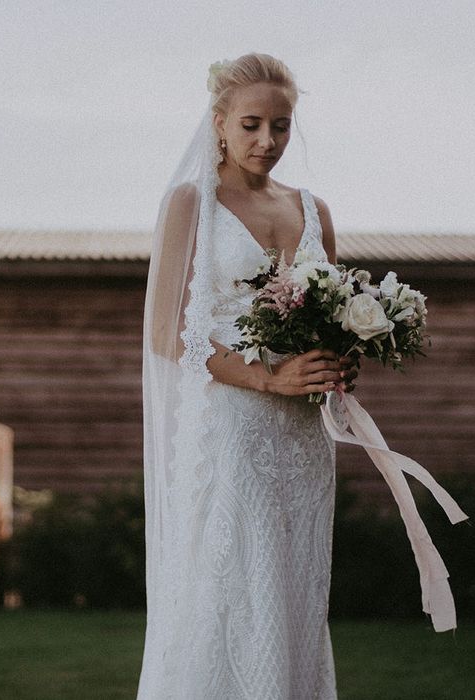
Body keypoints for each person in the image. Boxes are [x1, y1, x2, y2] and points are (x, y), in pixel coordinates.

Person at [138, 53, 356, 699]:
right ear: (220, 124)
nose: (268, 142)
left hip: (303, 432)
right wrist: (266, 379)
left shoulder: (312, 209)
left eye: (281, 126)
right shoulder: (190, 202)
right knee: (234, 578)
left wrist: (341, 360)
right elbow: (164, 331)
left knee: (294, 583)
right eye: (253, 124)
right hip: (232, 420)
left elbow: (330, 313)